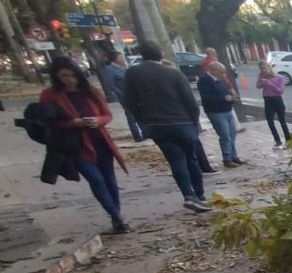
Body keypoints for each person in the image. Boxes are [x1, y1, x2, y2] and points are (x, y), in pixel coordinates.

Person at [39, 56, 131, 233]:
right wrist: (73, 123)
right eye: (65, 76)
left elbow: (107, 114)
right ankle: (115, 215)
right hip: (75, 144)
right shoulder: (51, 95)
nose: (70, 80)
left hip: (100, 140)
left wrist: (98, 120)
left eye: (73, 76)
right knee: (95, 179)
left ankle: (116, 213)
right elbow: (47, 121)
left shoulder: (91, 92)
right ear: (57, 76)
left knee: (109, 180)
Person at [123, 41, 211, 213]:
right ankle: (199, 195)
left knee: (176, 160)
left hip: (156, 124)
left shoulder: (133, 73)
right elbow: (189, 100)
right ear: (160, 53)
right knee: (191, 157)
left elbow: (130, 101)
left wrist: (143, 120)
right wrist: (195, 121)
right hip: (181, 121)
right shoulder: (173, 73)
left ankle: (188, 195)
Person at [197, 62, 243, 168]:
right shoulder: (205, 81)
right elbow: (207, 98)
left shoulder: (219, 79)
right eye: (221, 72)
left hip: (227, 109)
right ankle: (227, 158)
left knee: (232, 134)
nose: (223, 75)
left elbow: (225, 89)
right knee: (225, 135)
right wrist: (224, 98)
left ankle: (233, 156)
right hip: (216, 112)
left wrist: (231, 97)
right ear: (213, 71)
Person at [100, 52, 144, 142]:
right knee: (130, 115)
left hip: (132, 94)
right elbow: (109, 84)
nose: (123, 59)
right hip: (124, 95)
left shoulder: (122, 68)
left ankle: (145, 132)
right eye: (120, 57)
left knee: (137, 113)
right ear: (115, 59)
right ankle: (136, 135)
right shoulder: (109, 70)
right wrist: (116, 94)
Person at [256, 61, 292, 148]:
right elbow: (258, 86)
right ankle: (277, 140)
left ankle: (288, 140)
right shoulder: (261, 76)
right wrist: (262, 83)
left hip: (277, 99)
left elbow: (280, 91)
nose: (264, 70)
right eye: (262, 69)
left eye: (265, 68)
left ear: (269, 67)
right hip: (267, 99)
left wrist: (270, 84)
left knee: (282, 120)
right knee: (270, 121)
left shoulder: (278, 77)